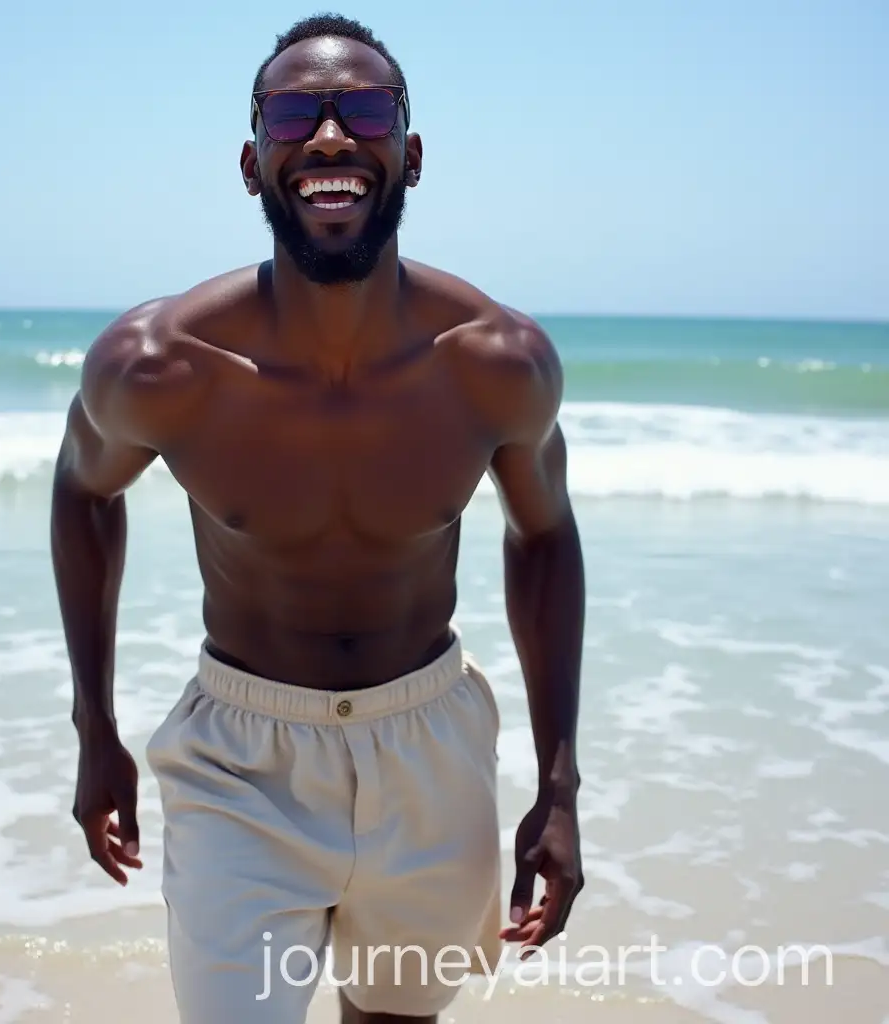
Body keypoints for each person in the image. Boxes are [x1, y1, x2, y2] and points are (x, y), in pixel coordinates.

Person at [50, 13, 585, 1023]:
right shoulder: (157, 365)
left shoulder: (496, 362)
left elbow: (545, 534)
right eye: (294, 113)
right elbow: (84, 490)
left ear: (409, 156)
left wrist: (559, 782)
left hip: (428, 744)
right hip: (240, 760)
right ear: (253, 163)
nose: (330, 138)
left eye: (365, 110)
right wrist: (95, 726)